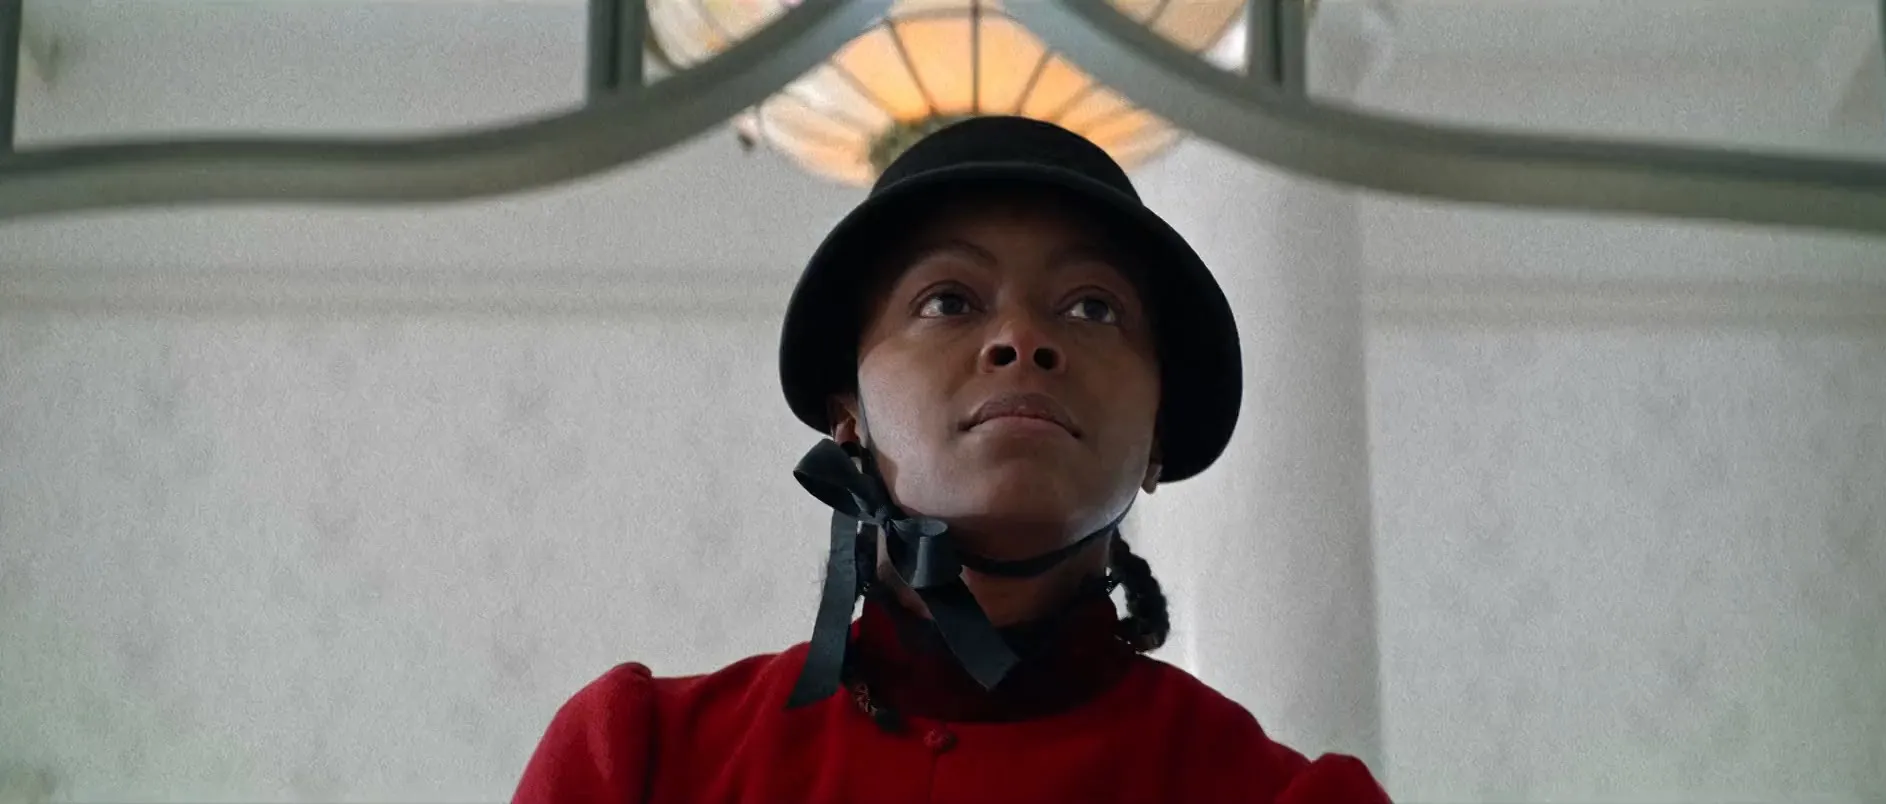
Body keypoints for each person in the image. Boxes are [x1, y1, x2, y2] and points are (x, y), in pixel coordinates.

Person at [510, 116, 1390, 804]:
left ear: (1159, 432)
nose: (1022, 341)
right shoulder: (643, 760)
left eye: (1093, 308)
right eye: (948, 301)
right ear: (846, 412)